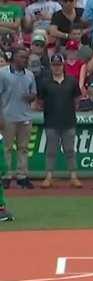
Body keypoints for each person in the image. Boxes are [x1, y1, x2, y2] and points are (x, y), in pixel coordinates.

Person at [38, 53, 82, 188]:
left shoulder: (72, 81)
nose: (56, 68)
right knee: (51, 151)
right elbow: (40, 101)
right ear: (51, 66)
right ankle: (49, 177)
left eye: (59, 65)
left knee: (70, 150)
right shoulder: (45, 82)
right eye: (54, 65)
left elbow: (77, 100)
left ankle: (73, 177)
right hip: (51, 121)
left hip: (68, 121)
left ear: (63, 65)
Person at [0, 47, 37, 190]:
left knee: (23, 148)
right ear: (14, 57)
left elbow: (34, 93)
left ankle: (22, 176)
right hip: (7, 116)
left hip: (25, 116)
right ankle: (6, 176)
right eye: (22, 57)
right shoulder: (3, 74)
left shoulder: (29, 75)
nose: (24, 60)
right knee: (6, 148)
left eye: (26, 57)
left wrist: (30, 97)